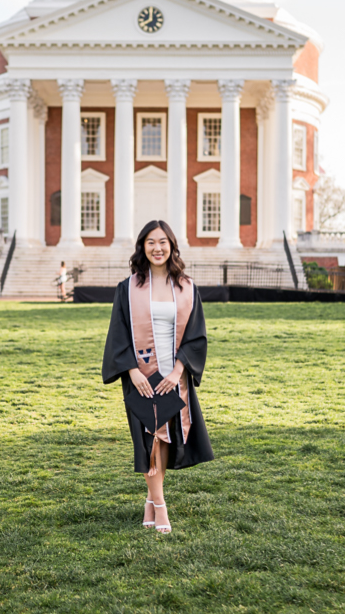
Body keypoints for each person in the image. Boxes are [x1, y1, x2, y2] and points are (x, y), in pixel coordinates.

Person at [102, 220, 214, 534]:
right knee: (149, 439)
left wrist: (179, 370)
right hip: (141, 376)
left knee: (164, 440)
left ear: (172, 245)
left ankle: (151, 501)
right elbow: (118, 333)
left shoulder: (187, 287)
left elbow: (196, 335)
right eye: (151, 242)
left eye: (162, 242)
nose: (157, 248)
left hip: (173, 375)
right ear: (142, 247)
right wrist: (133, 371)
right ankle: (161, 507)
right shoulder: (128, 288)